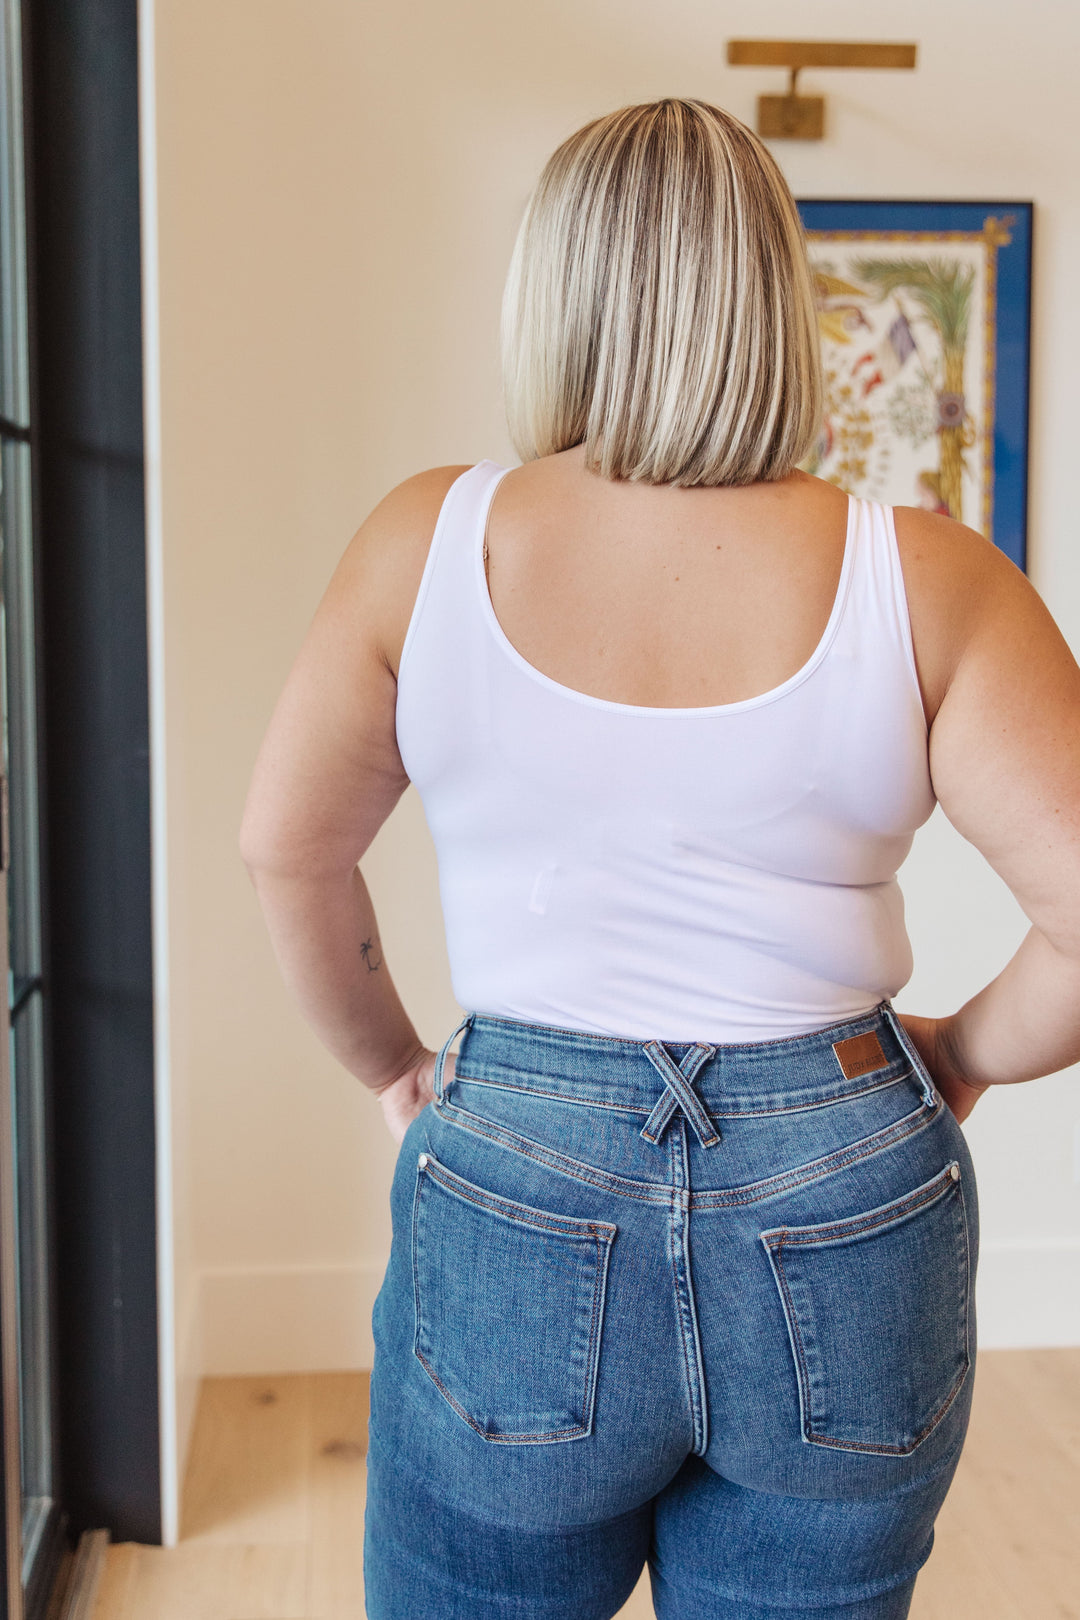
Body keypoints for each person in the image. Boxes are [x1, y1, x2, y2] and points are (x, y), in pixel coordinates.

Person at [240, 99, 1080, 1620]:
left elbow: (286, 851)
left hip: (517, 1171)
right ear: (777, 302)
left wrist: (391, 1070)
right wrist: (958, 1055)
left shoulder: (425, 543)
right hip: (844, 1177)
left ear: (554, 297)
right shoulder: (931, 576)